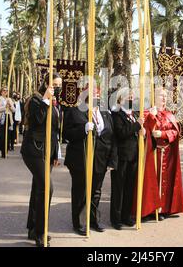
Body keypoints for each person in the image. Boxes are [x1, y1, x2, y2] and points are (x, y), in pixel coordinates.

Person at [63, 89, 117, 236]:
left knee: (96, 191)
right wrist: (83, 129)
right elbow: (66, 134)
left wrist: (112, 160)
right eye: (94, 95)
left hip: (100, 159)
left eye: (98, 95)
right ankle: (79, 222)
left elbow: (111, 137)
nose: (96, 97)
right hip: (80, 158)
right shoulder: (75, 111)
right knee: (80, 190)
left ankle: (94, 220)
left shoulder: (105, 113)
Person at [21, 74, 60, 247]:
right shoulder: (36, 100)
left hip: (47, 151)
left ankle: (32, 228)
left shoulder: (54, 103)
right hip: (33, 150)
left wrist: (55, 154)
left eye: (59, 85)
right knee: (47, 188)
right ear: (46, 84)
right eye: (54, 85)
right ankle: (40, 232)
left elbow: (54, 131)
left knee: (38, 188)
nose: (57, 88)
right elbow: (37, 120)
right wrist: (45, 99)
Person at [139, 87, 183, 221]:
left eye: (165, 96)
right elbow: (143, 130)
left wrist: (163, 134)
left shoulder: (169, 115)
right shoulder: (147, 112)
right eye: (161, 95)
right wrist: (151, 117)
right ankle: (150, 209)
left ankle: (164, 208)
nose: (164, 98)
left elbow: (175, 132)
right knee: (152, 181)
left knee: (165, 182)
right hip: (152, 153)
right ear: (154, 97)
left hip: (167, 153)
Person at [110, 90, 144, 230]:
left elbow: (138, 133)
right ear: (120, 99)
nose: (131, 99)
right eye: (128, 97)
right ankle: (116, 218)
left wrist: (143, 131)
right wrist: (137, 125)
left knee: (130, 187)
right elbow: (121, 132)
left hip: (134, 156)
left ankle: (126, 215)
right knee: (119, 188)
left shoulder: (134, 114)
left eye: (132, 96)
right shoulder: (117, 114)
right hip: (121, 157)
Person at [0, 87, 15, 159]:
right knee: (0, 136)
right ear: (1, 92)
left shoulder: (9, 99)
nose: (5, 92)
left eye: (6, 91)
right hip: (1, 119)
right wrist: (4, 107)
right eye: (4, 91)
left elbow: (13, 110)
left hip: (8, 119)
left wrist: (10, 106)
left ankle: (4, 152)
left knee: (7, 137)